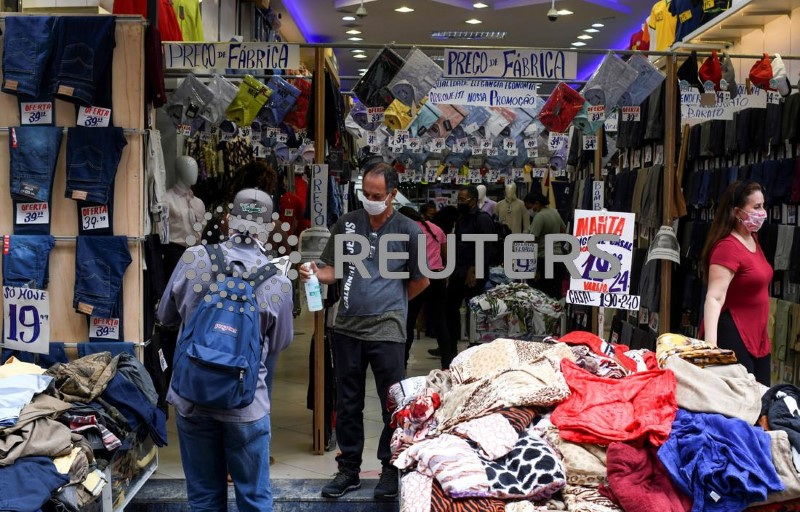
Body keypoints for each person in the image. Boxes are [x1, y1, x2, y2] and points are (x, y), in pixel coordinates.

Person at [157, 188, 294, 511]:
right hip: (246, 406)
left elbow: (165, 315)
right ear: (270, 227)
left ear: (229, 219)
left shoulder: (194, 258)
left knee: (204, 497)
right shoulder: (277, 282)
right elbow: (279, 344)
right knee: (254, 498)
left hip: (192, 397)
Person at [300, 162, 429, 500]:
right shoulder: (347, 224)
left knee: (393, 405)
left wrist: (393, 302)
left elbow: (421, 279)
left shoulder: (409, 230)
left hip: (387, 330)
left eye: (377, 196)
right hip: (347, 328)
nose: (370, 200)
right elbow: (332, 271)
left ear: (392, 194)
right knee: (348, 402)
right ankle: (349, 469)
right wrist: (313, 273)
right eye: (366, 194)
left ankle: (390, 468)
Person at [702, 181, 772, 386]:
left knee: (761, 400)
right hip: (735, 334)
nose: (763, 213)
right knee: (741, 403)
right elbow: (714, 297)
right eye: (756, 207)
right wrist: (711, 347)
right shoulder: (727, 248)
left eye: (763, 206)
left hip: (757, 334)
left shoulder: (753, 239)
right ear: (737, 212)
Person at [443, 186, 496, 367]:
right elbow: (458, 245)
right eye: (458, 199)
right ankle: (451, 354)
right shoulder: (461, 219)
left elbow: (486, 247)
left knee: (474, 314)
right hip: (458, 271)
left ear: (473, 200)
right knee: (450, 310)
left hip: (474, 272)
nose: (459, 202)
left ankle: (474, 352)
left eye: (463, 199)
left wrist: (474, 270)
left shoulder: (482, 219)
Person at [398, 206, 449, 369]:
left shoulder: (406, 229)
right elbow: (445, 254)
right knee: (441, 322)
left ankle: (402, 363)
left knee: (409, 321)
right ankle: (447, 364)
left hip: (417, 277)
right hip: (437, 277)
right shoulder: (436, 229)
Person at [524, 191, 567, 298]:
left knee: (539, 295)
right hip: (558, 258)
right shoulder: (554, 212)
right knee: (555, 294)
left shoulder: (539, 217)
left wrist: (533, 267)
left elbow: (531, 241)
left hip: (543, 260)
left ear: (537, 203)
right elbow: (563, 229)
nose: (530, 211)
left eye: (529, 207)